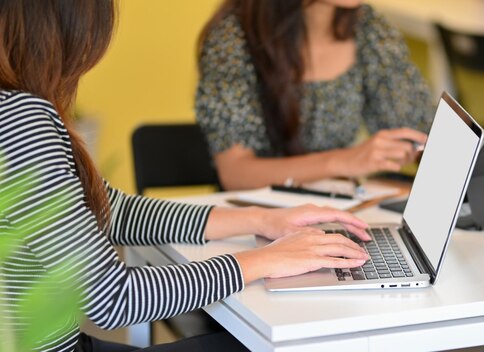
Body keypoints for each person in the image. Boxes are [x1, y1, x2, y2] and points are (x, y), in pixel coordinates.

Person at [0, 1, 371, 351]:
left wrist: (263, 220)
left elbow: (111, 211)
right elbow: (113, 299)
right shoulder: (19, 119)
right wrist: (264, 261)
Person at [195, 0, 435, 190]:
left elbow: (420, 132)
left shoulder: (370, 30)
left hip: (338, 211)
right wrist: (344, 161)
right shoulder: (232, 39)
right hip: (255, 225)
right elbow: (236, 174)